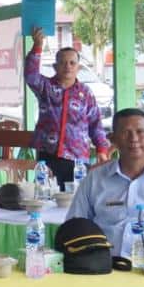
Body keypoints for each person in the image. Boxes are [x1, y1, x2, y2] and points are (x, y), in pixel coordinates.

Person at [66, 108, 144, 257]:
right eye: (126, 132)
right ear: (112, 139)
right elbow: (75, 226)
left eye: (140, 132)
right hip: (105, 264)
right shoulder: (95, 179)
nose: (134, 139)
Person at [25, 27, 110, 190]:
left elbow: (95, 124)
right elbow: (31, 75)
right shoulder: (45, 88)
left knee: (76, 198)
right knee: (47, 196)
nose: (68, 66)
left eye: (72, 63)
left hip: (78, 159)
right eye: (63, 63)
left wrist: (101, 149)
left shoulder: (86, 93)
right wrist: (37, 47)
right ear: (55, 67)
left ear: (78, 67)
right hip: (48, 156)